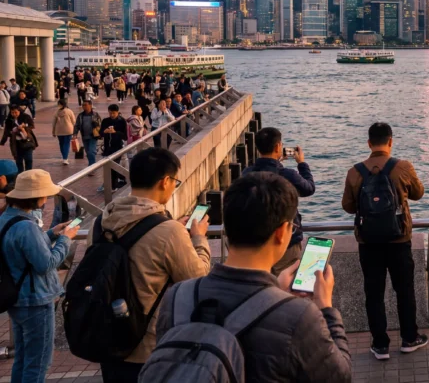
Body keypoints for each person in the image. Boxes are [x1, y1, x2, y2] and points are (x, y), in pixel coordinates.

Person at [153, 172, 353, 382]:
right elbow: (341, 376)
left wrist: (276, 294)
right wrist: (326, 308)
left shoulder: (177, 297)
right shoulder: (299, 316)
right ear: (281, 233)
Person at [93, 148, 212, 381]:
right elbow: (198, 279)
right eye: (175, 181)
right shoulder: (168, 232)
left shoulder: (103, 221)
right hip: (146, 346)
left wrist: (169, 227)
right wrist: (198, 239)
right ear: (165, 181)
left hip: (107, 338)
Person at [342, 122, 427, 360]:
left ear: (369, 143)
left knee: (374, 292)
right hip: (399, 240)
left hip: (368, 242)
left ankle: (380, 345)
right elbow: (419, 193)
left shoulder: (355, 171)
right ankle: (410, 338)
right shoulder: (403, 166)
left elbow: (348, 207)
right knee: (405, 291)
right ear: (390, 141)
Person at [0, 170, 79, 383]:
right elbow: (46, 264)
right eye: (45, 194)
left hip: (16, 298)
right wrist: (65, 239)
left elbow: (23, 249)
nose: (46, 199)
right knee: (38, 364)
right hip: (35, 301)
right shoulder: (27, 226)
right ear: (35, 197)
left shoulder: (6, 217)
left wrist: (52, 233)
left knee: (23, 358)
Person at [242, 127, 316, 275]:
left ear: (257, 147)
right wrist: (301, 163)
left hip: (257, 243)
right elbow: (309, 188)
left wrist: (275, 161)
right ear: (277, 147)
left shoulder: (247, 173)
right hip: (285, 243)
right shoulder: (287, 175)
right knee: (287, 289)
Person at [2, 106, 37, 173]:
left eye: (16, 112)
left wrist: (24, 127)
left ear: (19, 111)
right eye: (12, 113)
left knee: (28, 159)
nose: (14, 114)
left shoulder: (26, 117)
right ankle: (20, 176)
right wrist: (3, 141)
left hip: (27, 141)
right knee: (18, 161)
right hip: (16, 143)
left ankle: (28, 174)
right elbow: (6, 131)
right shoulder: (9, 120)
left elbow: (32, 126)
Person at [74, 101, 101, 167]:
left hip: (93, 136)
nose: (84, 106)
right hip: (84, 136)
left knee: (91, 152)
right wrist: (75, 134)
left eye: (86, 105)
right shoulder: (80, 115)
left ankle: (92, 167)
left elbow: (100, 125)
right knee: (88, 152)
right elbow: (77, 125)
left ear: (90, 105)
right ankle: (91, 164)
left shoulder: (95, 114)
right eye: (83, 105)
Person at [51, 99, 76, 166]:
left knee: (61, 144)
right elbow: (74, 121)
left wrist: (53, 131)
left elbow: (53, 123)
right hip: (69, 130)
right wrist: (75, 131)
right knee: (66, 144)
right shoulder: (69, 111)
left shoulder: (56, 112)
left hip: (59, 131)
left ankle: (64, 157)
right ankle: (65, 158)